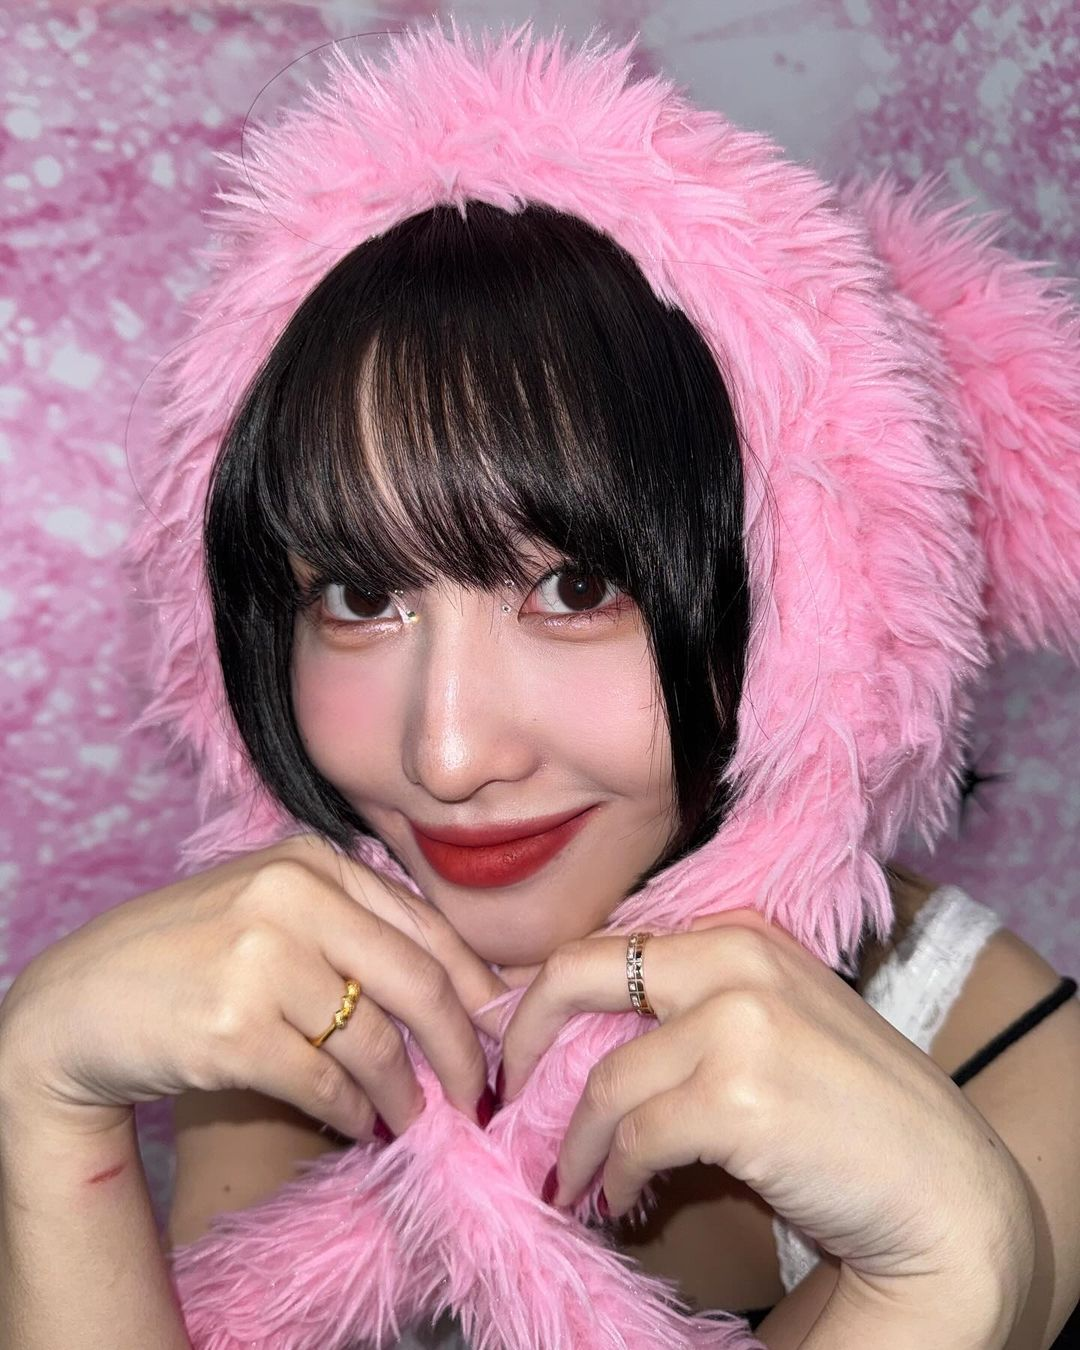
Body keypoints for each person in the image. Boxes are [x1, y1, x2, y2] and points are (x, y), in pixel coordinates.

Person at [1, 21, 1078, 1350]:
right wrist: (44, 1105)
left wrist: (949, 1271)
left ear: (811, 607)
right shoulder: (308, 977)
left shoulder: (1015, 1080)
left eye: (574, 588)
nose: (447, 756)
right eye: (360, 598)